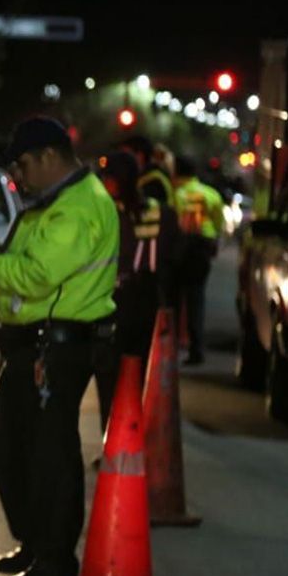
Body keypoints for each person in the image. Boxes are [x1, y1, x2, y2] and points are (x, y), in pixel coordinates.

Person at [0, 117, 118, 576]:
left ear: (48, 156)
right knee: (3, 437)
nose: (20, 175)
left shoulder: (78, 207)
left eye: (23, 164)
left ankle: (56, 563)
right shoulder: (52, 203)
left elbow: (41, 273)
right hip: (33, 343)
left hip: (59, 346)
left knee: (50, 455)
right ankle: (38, 544)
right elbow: (25, 260)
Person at [94, 150, 182, 431]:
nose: (105, 184)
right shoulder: (162, 214)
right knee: (140, 373)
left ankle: (119, 440)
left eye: (109, 179)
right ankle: (132, 438)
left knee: (110, 374)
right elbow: (174, 258)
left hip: (115, 303)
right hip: (147, 302)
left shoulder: (106, 213)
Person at [172, 155, 225, 365]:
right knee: (196, 298)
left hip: (181, 246)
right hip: (203, 247)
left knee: (174, 299)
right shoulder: (210, 194)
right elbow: (218, 221)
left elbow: (172, 221)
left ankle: (170, 347)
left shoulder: (177, 194)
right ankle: (196, 349)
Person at [120, 135, 175, 211]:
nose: (122, 161)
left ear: (140, 156)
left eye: (125, 156)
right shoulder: (142, 177)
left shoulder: (154, 180)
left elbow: (148, 206)